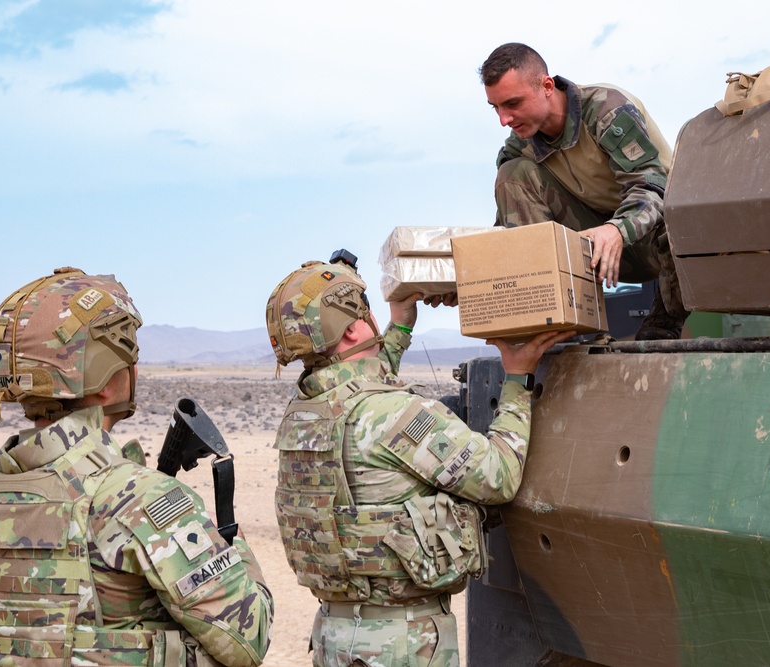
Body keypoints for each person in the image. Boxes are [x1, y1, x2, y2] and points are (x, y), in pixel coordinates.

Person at [0, 267, 273, 667]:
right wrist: (231, 541)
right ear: (107, 380)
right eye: (128, 356)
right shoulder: (141, 499)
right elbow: (249, 639)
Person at [265, 255, 574, 666]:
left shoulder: (305, 411)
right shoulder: (395, 415)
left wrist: (401, 324)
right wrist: (518, 377)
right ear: (356, 327)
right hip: (402, 643)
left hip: (335, 635)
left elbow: (360, 389)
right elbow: (499, 477)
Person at [479, 42, 687, 340]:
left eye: (512, 104)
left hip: (658, 242)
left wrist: (616, 230)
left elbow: (653, 187)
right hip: (595, 249)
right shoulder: (521, 143)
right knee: (512, 175)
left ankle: (665, 321)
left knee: (681, 218)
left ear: (547, 86)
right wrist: (475, 279)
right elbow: (510, 219)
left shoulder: (607, 110)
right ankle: (557, 322)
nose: (503, 120)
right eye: (495, 108)